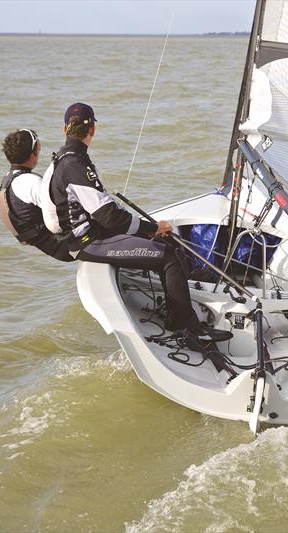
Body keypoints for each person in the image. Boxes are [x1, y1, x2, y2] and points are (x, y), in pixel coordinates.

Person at [43, 103, 232, 366]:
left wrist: (151, 231)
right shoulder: (75, 165)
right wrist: (152, 227)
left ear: (65, 129)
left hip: (91, 235)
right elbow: (110, 217)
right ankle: (187, 328)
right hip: (88, 242)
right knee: (166, 255)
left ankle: (177, 304)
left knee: (163, 243)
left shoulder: (64, 159)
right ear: (93, 129)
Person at [0, 129, 73, 262]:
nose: (39, 153)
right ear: (32, 156)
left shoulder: (9, 180)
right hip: (65, 246)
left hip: (51, 246)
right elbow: (62, 210)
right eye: (38, 149)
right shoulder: (29, 182)